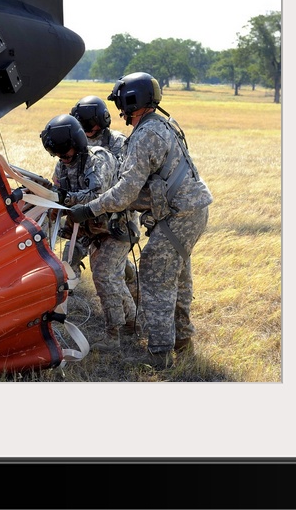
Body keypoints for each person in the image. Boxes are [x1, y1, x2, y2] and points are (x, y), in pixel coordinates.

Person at [69, 73, 213, 369]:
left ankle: (160, 355)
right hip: (192, 211)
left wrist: (90, 209)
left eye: (121, 101)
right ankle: (183, 340)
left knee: (156, 275)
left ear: (131, 101)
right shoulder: (162, 124)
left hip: (179, 215)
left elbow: (124, 193)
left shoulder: (145, 135)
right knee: (178, 275)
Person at [40, 114, 137, 353]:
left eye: (66, 153)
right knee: (71, 269)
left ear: (78, 143)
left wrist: (64, 199)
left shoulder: (99, 159)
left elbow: (97, 196)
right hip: (86, 230)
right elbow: (60, 193)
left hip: (115, 228)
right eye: (58, 156)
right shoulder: (63, 164)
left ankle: (113, 335)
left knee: (104, 275)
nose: (63, 159)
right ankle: (133, 320)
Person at [70, 96, 142, 311]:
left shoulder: (119, 143)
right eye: (82, 126)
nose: (87, 130)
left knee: (112, 269)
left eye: (89, 125)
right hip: (85, 216)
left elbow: (124, 183)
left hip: (114, 218)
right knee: (70, 257)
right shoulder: (78, 143)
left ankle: (134, 308)